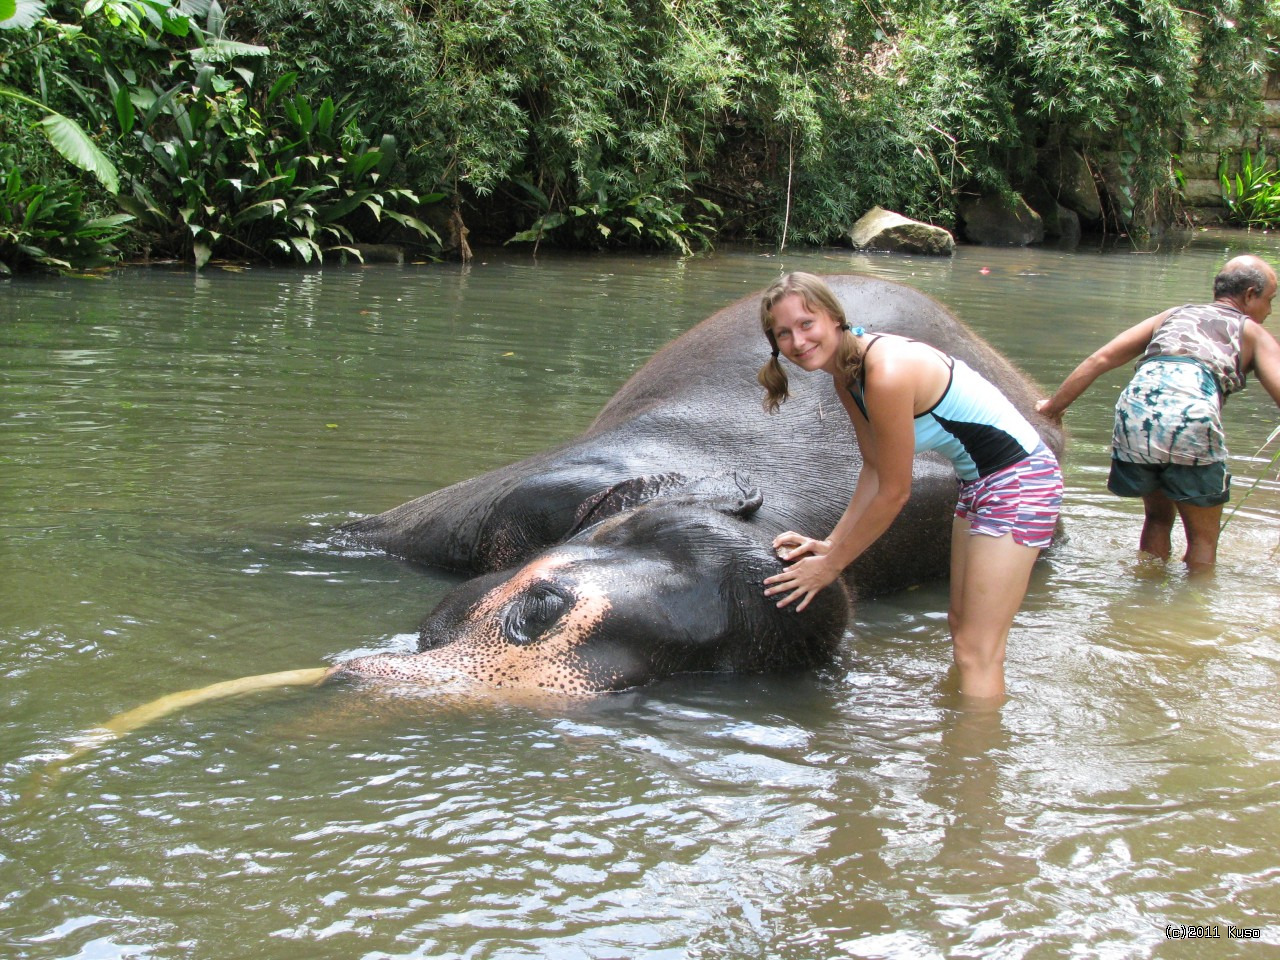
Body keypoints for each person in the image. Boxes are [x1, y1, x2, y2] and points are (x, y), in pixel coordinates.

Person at [757, 272, 1062, 702]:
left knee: (978, 650)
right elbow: (874, 467)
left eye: (807, 324)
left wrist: (832, 567)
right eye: (783, 333)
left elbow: (896, 492)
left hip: (1021, 483)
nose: (798, 341)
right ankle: (960, 750)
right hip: (978, 484)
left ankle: (977, 762)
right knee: (963, 630)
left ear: (834, 318)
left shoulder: (887, 373)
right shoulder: (846, 375)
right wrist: (831, 543)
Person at [1036, 254, 1280, 572]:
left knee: (1157, 518)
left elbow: (1100, 359)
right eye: (1270, 300)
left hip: (1135, 416)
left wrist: (1052, 409)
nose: (1270, 311)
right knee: (1203, 542)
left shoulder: (1172, 315)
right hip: (1191, 421)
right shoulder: (1253, 333)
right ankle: (1193, 617)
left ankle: (1145, 588)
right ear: (1249, 294)